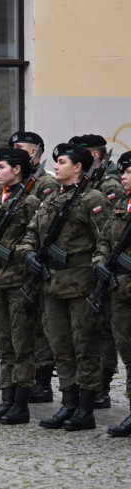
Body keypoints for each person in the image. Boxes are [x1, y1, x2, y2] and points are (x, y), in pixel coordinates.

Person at [18, 143, 108, 431]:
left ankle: (86, 408)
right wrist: (29, 252)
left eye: (62, 162)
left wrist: (97, 271)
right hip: (53, 286)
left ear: (78, 167)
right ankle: (68, 403)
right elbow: (32, 231)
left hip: (81, 286)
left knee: (85, 348)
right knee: (60, 347)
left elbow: (105, 241)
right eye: (56, 162)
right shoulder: (54, 198)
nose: (55, 166)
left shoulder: (92, 199)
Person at [0, 147, 40, 425]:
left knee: (20, 343)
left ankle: (20, 403)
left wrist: (8, 253)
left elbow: (33, 240)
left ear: (17, 170)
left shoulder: (30, 202)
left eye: (1, 167)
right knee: (3, 343)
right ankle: (6, 399)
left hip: (17, 281)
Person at [69, 133, 123, 409]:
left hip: (101, 270)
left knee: (103, 332)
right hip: (88, 267)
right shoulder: (84, 185)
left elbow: (109, 231)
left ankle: (102, 384)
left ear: (93, 157)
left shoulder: (109, 185)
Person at [8, 131, 59, 403]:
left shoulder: (45, 183)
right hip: (17, 262)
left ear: (35, 150)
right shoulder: (16, 182)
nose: (16, 150)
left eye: (20, 147)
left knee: (41, 327)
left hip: (39, 263)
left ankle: (43, 382)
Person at [98, 150, 131, 437]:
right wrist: (101, 263)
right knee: (127, 351)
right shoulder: (122, 203)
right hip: (119, 289)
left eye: (129, 172)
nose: (123, 176)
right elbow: (105, 240)